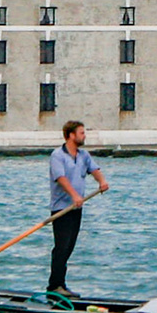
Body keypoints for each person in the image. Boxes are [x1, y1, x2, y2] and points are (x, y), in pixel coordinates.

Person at [47, 120, 108, 297]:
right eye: (81, 133)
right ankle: (54, 286)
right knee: (61, 246)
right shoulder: (57, 155)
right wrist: (74, 195)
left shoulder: (83, 155)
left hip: (76, 209)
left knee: (69, 247)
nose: (84, 135)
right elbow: (61, 178)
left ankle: (61, 285)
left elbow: (95, 169)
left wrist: (102, 181)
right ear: (71, 135)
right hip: (61, 209)